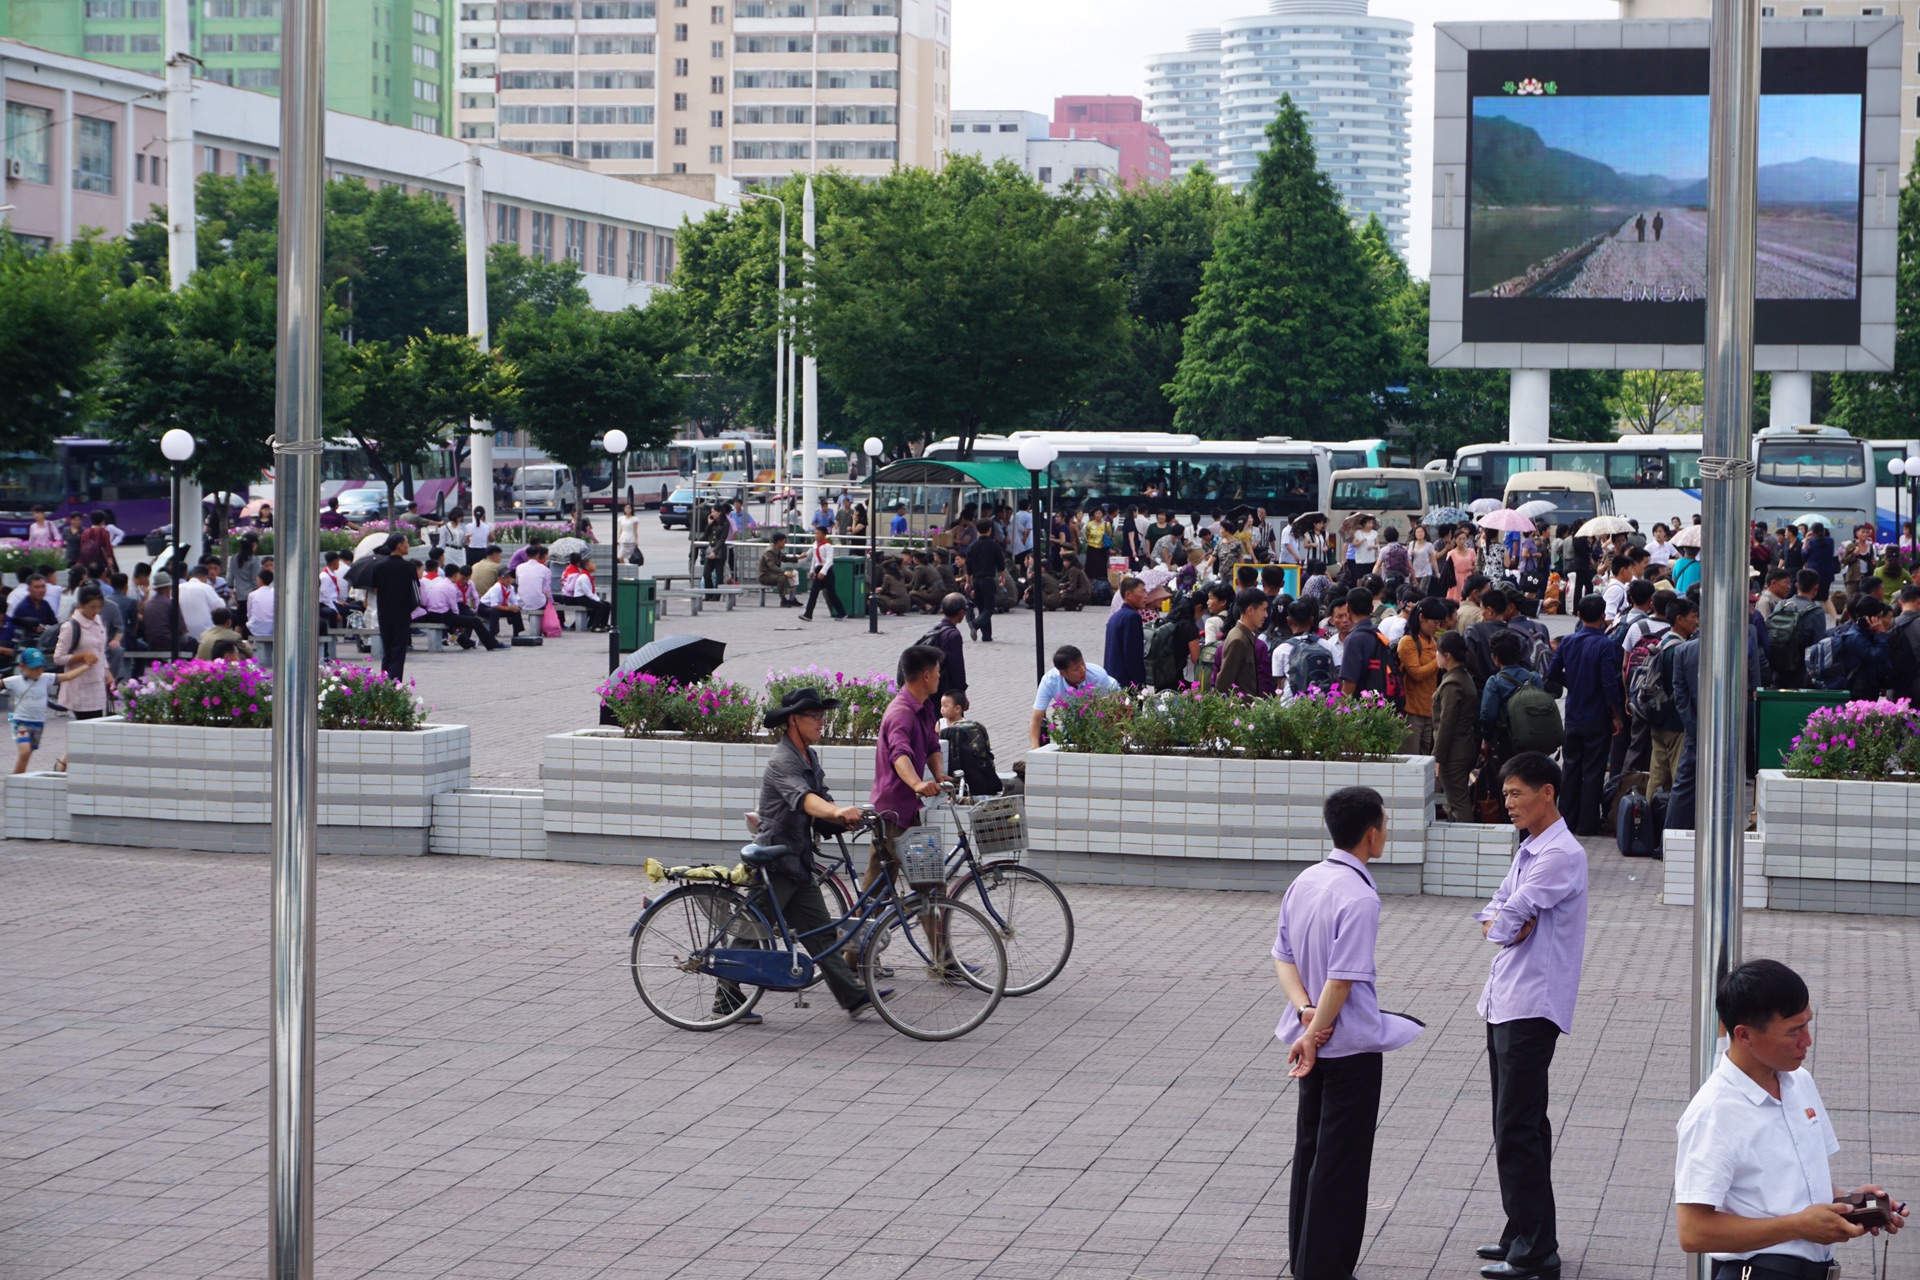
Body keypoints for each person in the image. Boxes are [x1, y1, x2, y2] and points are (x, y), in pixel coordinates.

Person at [1272, 786, 1423, 1280]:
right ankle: (1325, 1270)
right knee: (1342, 1163)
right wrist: (1317, 1029)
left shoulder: (1307, 880)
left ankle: (1307, 1263)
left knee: (1311, 1152)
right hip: (1348, 1046)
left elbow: (1283, 958)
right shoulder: (1359, 896)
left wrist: (1304, 1015)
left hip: (1308, 1035)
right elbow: (1343, 976)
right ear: (1371, 833)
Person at [1674, 959, 1906, 1275]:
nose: (1807, 1041)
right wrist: (1798, 1227)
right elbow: (1693, 1232)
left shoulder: (1799, 1082)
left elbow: (1799, 1186)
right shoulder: (1712, 1115)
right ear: (1744, 1035)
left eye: (1807, 1024)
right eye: (1794, 1031)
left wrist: (1854, 1205)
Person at [1473, 752, 1588, 1280]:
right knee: (1517, 1123)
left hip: (1531, 1005)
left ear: (1548, 792)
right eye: (1508, 793)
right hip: (1505, 1000)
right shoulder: (1529, 850)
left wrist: (1505, 920)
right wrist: (1503, 920)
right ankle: (1522, 1228)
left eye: (1518, 793)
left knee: (1517, 1125)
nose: (1510, 803)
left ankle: (1537, 1250)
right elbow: (1495, 912)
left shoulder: (1560, 854)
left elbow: (1511, 916)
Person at [729, 687, 879, 1024]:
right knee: (752, 932)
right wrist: (838, 811)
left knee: (820, 933)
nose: (821, 722)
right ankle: (725, 1000)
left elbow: (820, 801)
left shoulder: (808, 757)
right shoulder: (783, 761)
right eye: (815, 717)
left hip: (798, 860)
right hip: (774, 861)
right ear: (794, 720)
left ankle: (853, 996)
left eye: (822, 717)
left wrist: (849, 820)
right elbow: (806, 801)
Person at [867, 644, 948, 891]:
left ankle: (863, 927)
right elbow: (899, 755)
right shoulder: (901, 713)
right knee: (929, 885)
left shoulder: (924, 707)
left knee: (880, 889)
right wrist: (918, 784)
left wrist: (939, 775)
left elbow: (933, 746)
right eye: (937, 671)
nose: (939, 676)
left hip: (905, 811)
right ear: (926, 675)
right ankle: (937, 932)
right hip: (892, 812)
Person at [1544, 595, 1623, 837]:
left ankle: (1565, 820)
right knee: (1594, 771)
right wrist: (1617, 715)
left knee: (1570, 769)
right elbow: (1609, 683)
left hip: (1574, 714)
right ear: (1603, 617)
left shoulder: (1567, 642)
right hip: (1597, 716)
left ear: (1578, 615)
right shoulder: (1606, 645)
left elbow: (1552, 674)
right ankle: (1587, 823)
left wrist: (1574, 683)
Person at [1645, 597, 1697, 800]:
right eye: (1693, 616)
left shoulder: (1662, 643)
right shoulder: (1680, 651)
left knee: (1656, 778)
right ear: (1679, 620)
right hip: (1676, 723)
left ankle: (1647, 823)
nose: (1697, 621)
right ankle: (1676, 825)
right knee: (1679, 778)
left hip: (1657, 719)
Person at [7, 648, 86, 771]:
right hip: (20, 722)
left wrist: (87, 665)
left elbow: (68, 676)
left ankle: (18, 780)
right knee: (24, 752)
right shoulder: (15, 681)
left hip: (38, 723)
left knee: (27, 756)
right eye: (33, 668)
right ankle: (14, 783)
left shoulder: (46, 678)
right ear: (22, 666)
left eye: (40, 667)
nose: (38, 671)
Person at [1029, 645, 1119, 748]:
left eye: (1083, 663)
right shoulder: (1049, 681)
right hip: (1074, 713)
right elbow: (1036, 718)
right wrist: (1034, 749)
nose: (1083, 670)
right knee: (1069, 736)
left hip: (1108, 701)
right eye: (1076, 669)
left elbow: (1108, 712)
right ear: (1062, 673)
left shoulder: (1098, 676)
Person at [1432, 631, 1480, 822]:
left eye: (1437, 652)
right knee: (1455, 801)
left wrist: (1437, 757)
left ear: (1447, 655)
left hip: (1453, 752)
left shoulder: (1453, 683)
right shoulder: (1463, 677)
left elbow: (1446, 724)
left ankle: (1465, 845)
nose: (1435, 656)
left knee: (1457, 803)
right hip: (1464, 746)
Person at [50, 584, 114, 722]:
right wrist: (81, 656)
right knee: (87, 725)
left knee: (98, 724)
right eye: (92, 607)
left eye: (99, 606)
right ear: (80, 604)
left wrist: (107, 673)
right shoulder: (71, 626)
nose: (95, 611)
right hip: (80, 686)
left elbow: (100, 651)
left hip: (97, 684)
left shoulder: (98, 621)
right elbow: (58, 658)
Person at [364, 536, 422, 681]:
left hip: (384, 613)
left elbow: (375, 589)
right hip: (401, 614)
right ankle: (395, 683)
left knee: (387, 650)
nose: (408, 545)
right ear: (399, 546)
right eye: (406, 542)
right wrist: (409, 608)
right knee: (398, 652)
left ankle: (384, 681)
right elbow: (416, 594)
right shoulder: (408, 567)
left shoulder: (378, 566)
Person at [1398, 598, 1443, 753]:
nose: (1437, 627)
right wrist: (1439, 660)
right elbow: (1416, 673)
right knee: (1409, 764)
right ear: (1421, 617)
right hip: (1411, 714)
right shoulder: (1408, 642)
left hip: (1429, 712)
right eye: (1435, 622)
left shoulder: (1434, 641)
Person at [938, 691, 1001, 797]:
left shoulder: (965, 727)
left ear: (957, 709)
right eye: (941, 706)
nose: (942, 709)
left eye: (945, 706)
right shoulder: (940, 723)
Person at [1216, 586, 1268, 699]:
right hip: (1240, 711)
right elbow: (1222, 684)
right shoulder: (1238, 640)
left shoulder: (1244, 635)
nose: (1266, 615)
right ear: (1250, 610)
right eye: (1263, 609)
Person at [917, 594, 969, 701]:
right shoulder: (953, 635)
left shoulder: (936, 629)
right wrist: (961, 693)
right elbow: (957, 668)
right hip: (944, 689)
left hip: (931, 685)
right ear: (961, 612)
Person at [963, 518, 1006, 642]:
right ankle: (975, 624)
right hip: (988, 580)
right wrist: (1002, 578)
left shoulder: (972, 546)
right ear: (990, 530)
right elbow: (1001, 564)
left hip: (976, 580)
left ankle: (986, 636)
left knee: (982, 608)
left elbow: (969, 568)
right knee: (990, 608)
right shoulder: (994, 545)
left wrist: (967, 582)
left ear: (977, 530)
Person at [1104, 576, 1147, 687]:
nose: (1145, 596)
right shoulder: (1132, 617)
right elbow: (1133, 654)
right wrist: (1139, 684)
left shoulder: (1115, 617)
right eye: (1142, 592)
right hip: (1127, 682)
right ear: (1128, 595)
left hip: (1112, 679)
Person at [799, 527, 846, 622]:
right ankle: (808, 614)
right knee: (814, 593)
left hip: (827, 571)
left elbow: (829, 561)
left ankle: (841, 612)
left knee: (831, 593)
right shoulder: (815, 545)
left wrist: (823, 572)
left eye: (818, 533)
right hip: (818, 569)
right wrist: (812, 571)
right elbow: (814, 558)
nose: (816, 536)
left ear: (824, 535)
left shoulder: (828, 546)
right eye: (815, 533)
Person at [560, 553, 611, 631]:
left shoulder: (587, 576)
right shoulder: (583, 577)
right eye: (592, 563)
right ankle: (595, 626)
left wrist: (597, 599)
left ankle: (604, 624)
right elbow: (587, 592)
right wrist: (597, 600)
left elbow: (592, 592)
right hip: (581, 598)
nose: (595, 565)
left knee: (607, 604)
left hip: (586, 597)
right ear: (587, 567)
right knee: (600, 606)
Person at [177, 564, 222, 641]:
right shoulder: (206, 587)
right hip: (205, 634)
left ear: (189, 576)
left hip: (182, 635)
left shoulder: (178, 588)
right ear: (205, 577)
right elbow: (220, 607)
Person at [758, 531, 799, 607]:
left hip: (773, 574)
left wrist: (799, 557)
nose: (785, 543)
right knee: (782, 577)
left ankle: (792, 598)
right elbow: (772, 566)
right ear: (779, 542)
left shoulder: (777, 550)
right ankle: (783, 600)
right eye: (784, 541)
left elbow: (785, 559)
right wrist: (785, 572)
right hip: (765, 576)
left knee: (794, 573)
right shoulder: (769, 551)